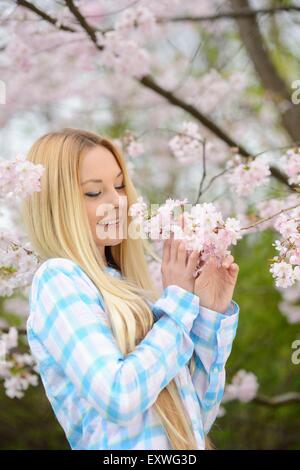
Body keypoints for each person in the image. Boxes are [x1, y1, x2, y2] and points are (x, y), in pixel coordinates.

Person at [21, 128, 240, 450]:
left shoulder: (129, 290)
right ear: (56, 204)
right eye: (94, 193)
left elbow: (194, 420)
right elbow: (119, 396)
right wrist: (179, 302)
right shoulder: (58, 279)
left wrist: (209, 312)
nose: (118, 202)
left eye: (120, 185)